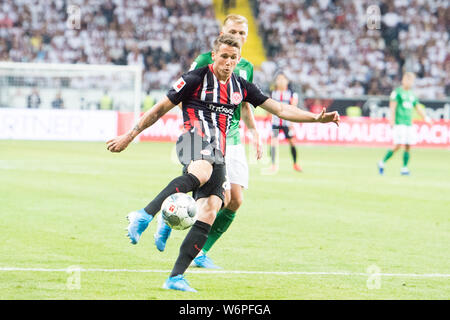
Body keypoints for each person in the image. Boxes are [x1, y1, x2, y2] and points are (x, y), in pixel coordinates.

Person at [106, 34, 340, 292]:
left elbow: (281, 110)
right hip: (192, 138)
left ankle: (175, 278)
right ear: (214, 56)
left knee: (211, 209)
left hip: (218, 151)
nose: (228, 62)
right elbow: (159, 109)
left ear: (238, 60)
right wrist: (129, 136)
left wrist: (316, 118)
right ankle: (145, 214)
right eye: (224, 56)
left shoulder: (242, 86)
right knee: (202, 171)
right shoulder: (195, 78)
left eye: (233, 58)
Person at [153, 14, 262, 269]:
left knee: (235, 200)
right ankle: (168, 216)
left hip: (233, 136)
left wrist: (255, 132)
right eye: (233, 31)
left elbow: (245, 104)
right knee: (214, 193)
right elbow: (185, 93)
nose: (238, 37)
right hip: (206, 134)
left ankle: (201, 251)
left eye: (242, 33)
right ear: (223, 31)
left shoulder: (245, 65)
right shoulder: (205, 60)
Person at [378, 72, 431, 176]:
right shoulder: (397, 92)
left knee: (408, 145)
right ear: (403, 80)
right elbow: (392, 108)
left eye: (411, 80)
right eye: (408, 80)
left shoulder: (412, 94)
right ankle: (382, 162)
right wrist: (391, 120)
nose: (410, 82)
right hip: (399, 123)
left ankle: (404, 168)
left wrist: (426, 118)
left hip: (408, 123)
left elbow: (418, 107)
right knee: (397, 145)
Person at [268, 73, 302, 172]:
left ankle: (295, 163)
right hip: (275, 123)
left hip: (287, 123)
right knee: (273, 142)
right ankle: (273, 165)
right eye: (279, 79)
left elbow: (293, 108)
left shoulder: (292, 93)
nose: (281, 81)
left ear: (287, 81)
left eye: (283, 79)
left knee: (292, 142)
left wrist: (292, 122)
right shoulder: (272, 93)